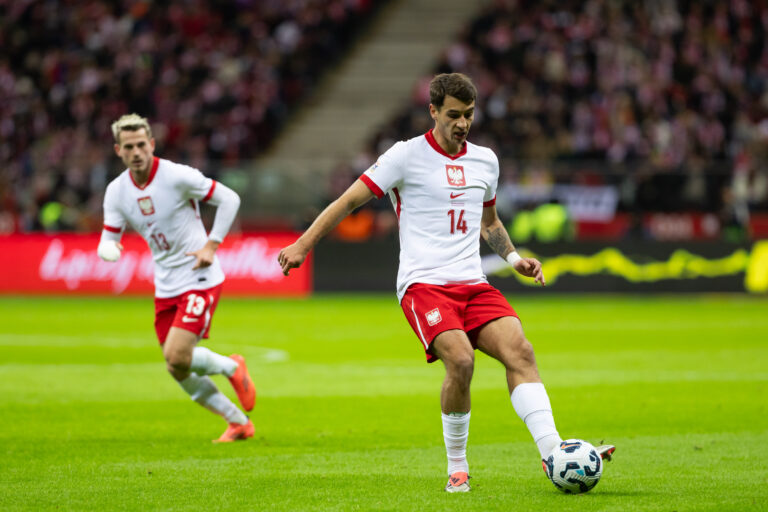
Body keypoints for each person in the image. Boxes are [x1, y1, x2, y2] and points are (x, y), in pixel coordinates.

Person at [278, 73, 614, 491]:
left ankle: (554, 455)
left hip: (472, 283)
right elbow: (349, 201)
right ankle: (457, 465)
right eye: (453, 114)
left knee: (521, 352)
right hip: (424, 285)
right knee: (461, 361)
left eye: (469, 115)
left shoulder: (485, 161)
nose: (462, 123)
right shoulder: (405, 156)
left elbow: (489, 221)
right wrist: (303, 244)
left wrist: (512, 258)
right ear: (433, 111)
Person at [98, 113, 256, 443]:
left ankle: (231, 366)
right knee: (176, 367)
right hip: (165, 283)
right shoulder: (116, 192)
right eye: (129, 146)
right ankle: (238, 423)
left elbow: (230, 198)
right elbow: (110, 234)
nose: (137, 151)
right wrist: (107, 247)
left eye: (142, 144)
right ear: (119, 151)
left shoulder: (176, 176)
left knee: (176, 355)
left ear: (152, 144)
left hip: (200, 275)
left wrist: (211, 245)